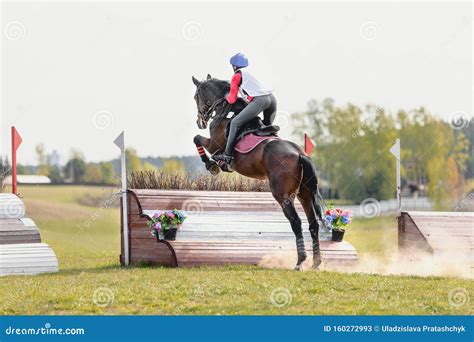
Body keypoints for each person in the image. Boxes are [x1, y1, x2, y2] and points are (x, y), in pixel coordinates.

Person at [213, 53, 277, 168]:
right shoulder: (252, 74)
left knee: (235, 123)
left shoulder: (237, 75)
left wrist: (225, 98)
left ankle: (227, 155)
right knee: (267, 130)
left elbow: (232, 99)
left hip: (260, 101)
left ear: (234, 66)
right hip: (272, 100)